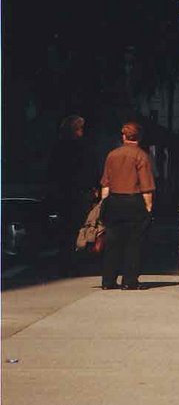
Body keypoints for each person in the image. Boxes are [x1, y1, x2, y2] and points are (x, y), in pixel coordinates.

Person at [99, 121, 156, 290]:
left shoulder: (112, 155)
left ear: (123, 136)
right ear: (139, 137)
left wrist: (104, 204)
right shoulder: (141, 156)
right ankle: (129, 281)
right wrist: (148, 207)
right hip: (134, 202)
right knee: (134, 243)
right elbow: (146, 186)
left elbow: (106, 184)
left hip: (114, 201)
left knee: (112, 242)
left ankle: (108, 281)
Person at [46, 115, 97, 276]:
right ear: (77, 130)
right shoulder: (82, 147)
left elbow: (52, 171)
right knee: (78, 228)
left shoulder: (58, 147)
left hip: (63, 193)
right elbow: (88, 170)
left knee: (65, 230)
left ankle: (65, 262)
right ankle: (74, 261)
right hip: (78, 193)